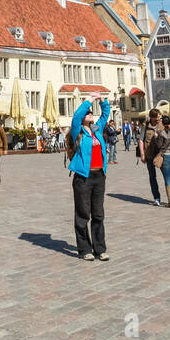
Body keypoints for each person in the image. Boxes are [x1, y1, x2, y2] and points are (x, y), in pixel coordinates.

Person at [68, 94, 111, 261]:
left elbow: (106, 114)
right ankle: (84, 249)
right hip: (83, 177)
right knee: (83, 214)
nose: (90, 114)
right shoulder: (77, 131)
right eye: (88, 113)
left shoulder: (96, 129)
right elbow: (77, 116)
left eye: (91, 113)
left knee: (98, 213)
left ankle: (100, 248)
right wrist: (89, 100)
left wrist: (102, 101)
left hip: (99, 175)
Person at [139, 108, 165, 207]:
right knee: (152, 177)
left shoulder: (162, 125)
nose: (159, 118)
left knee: (166, 175)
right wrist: (142, 154)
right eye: (157, 116)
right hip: (149, 155)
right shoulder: (145, 126)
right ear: (152, 117)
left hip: (160, 155)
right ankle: (156, 198)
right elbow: (141, 140)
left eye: (159, 116)